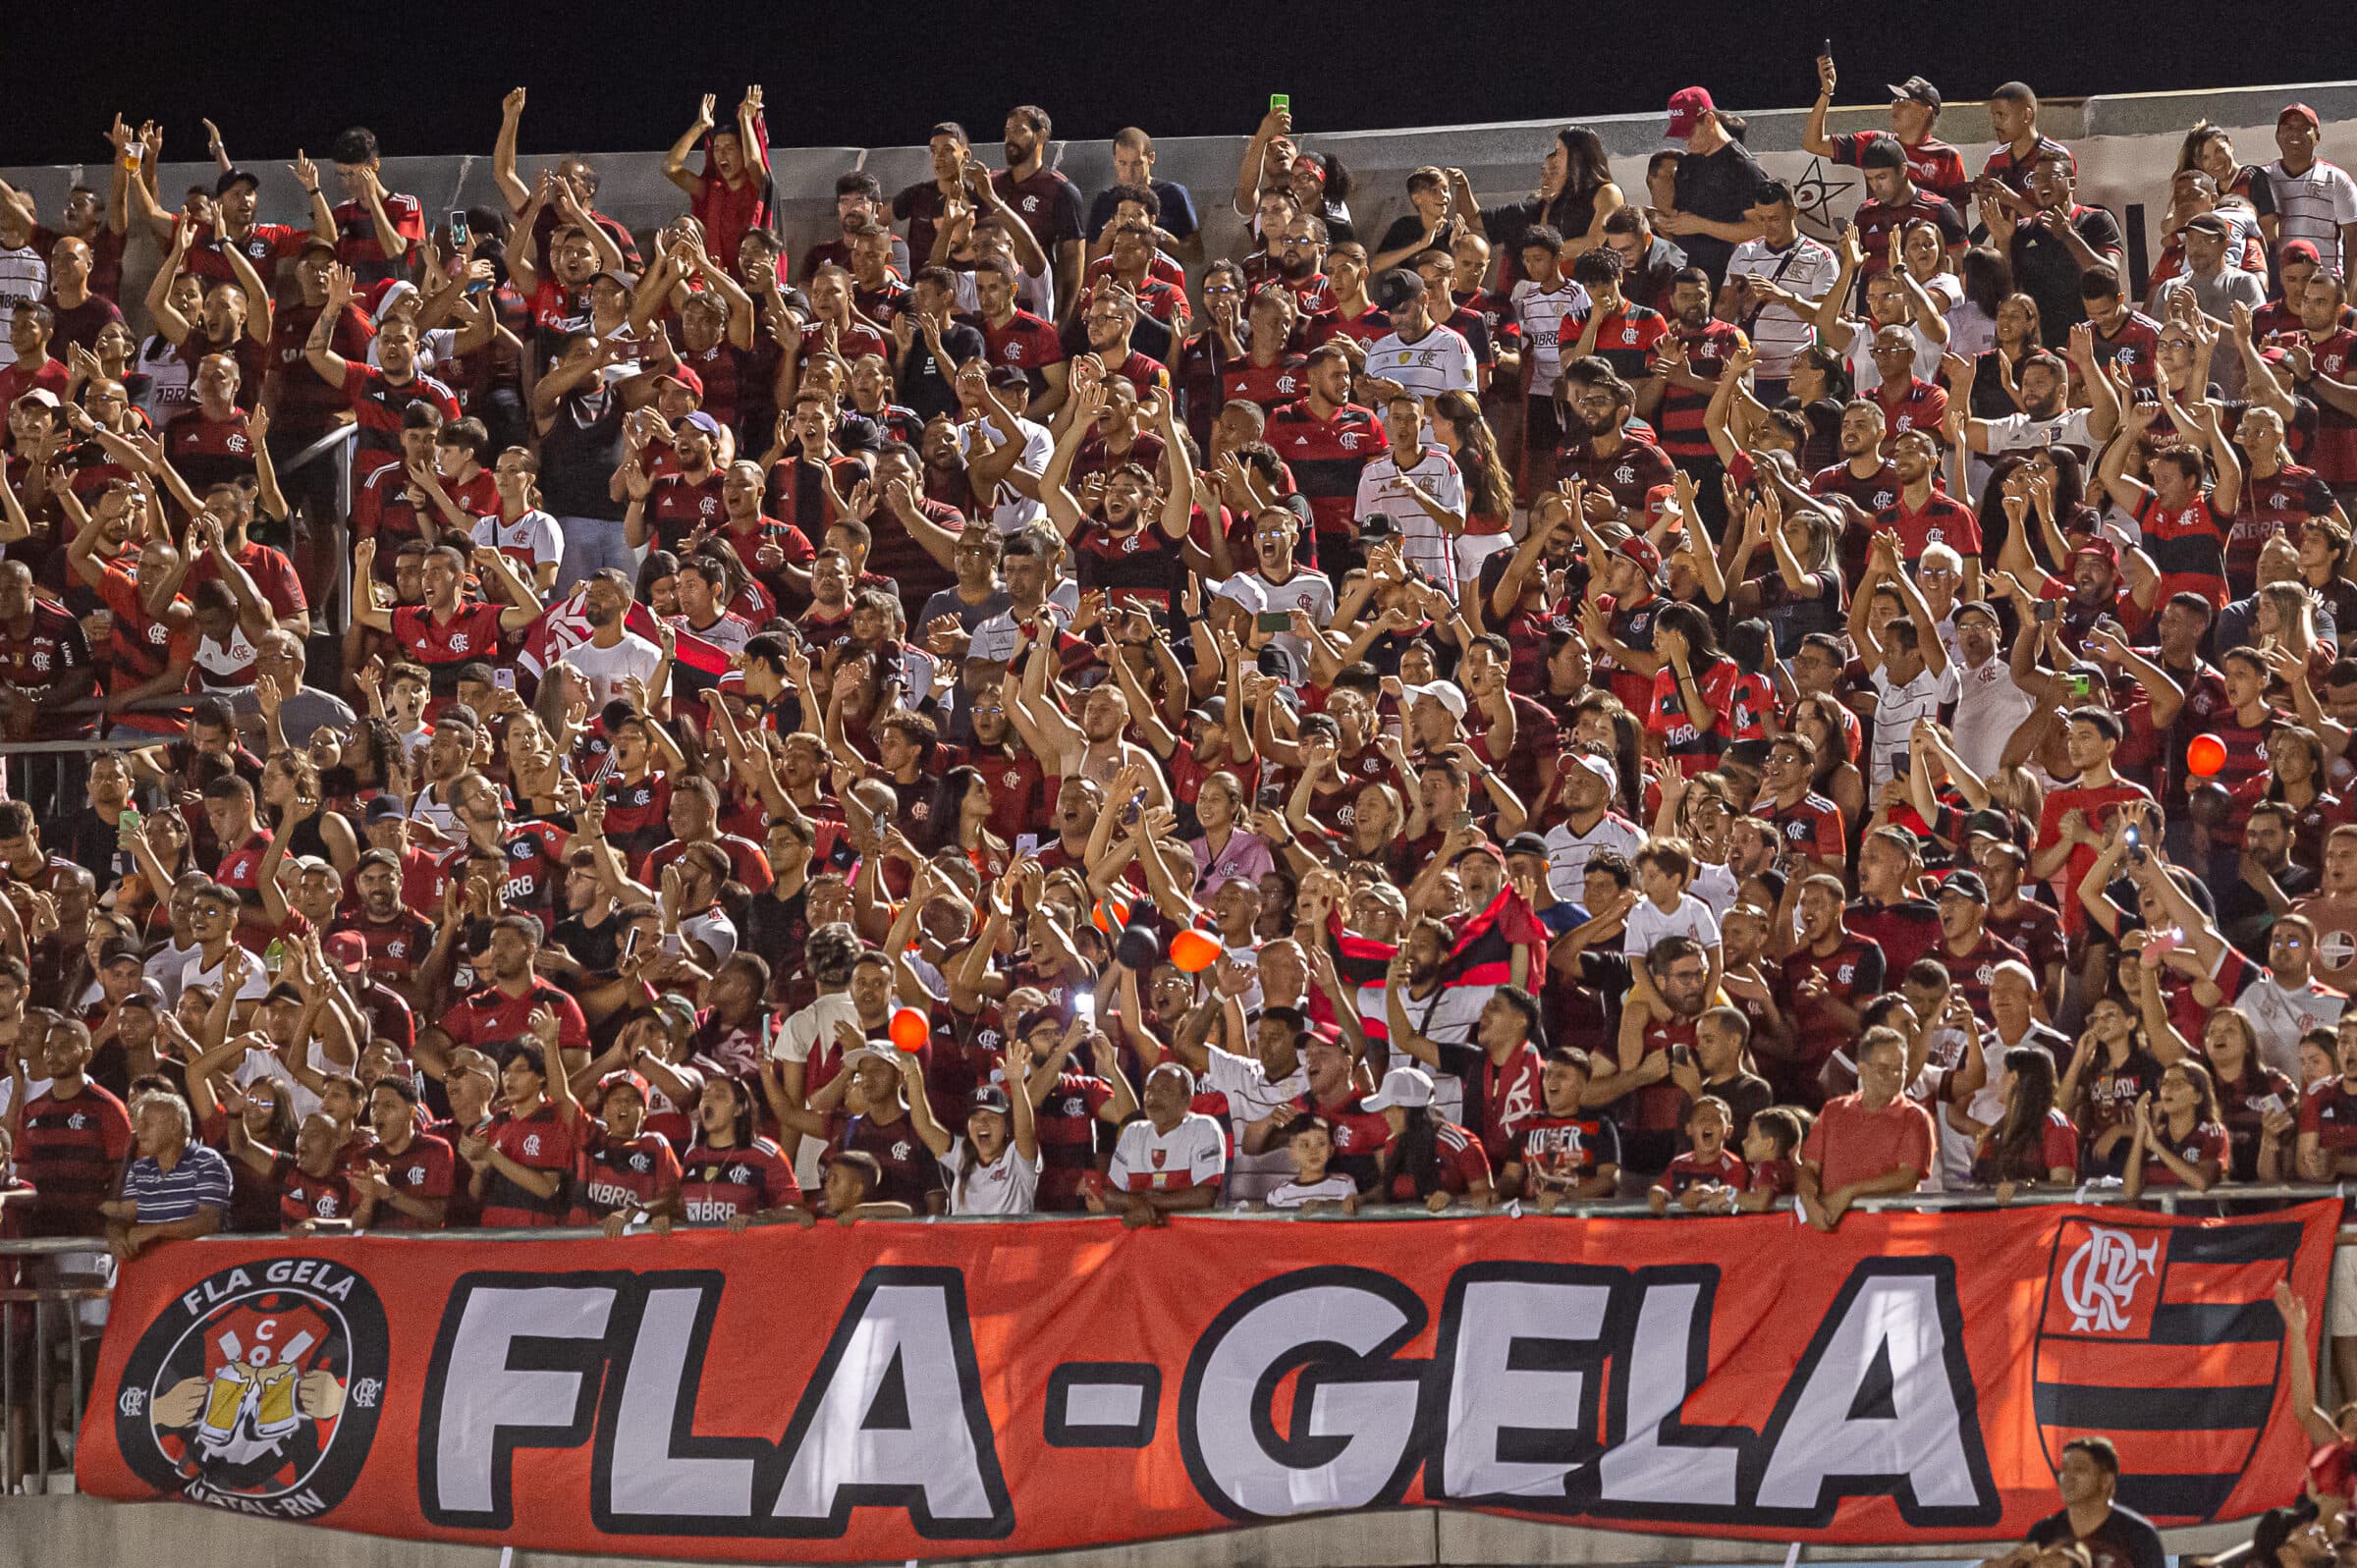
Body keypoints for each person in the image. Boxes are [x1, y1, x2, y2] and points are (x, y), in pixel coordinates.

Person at [1797, 1025, 1935, 1229]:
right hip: (1833, 1233)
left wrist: (1849, 1192)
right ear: (1862, 1069)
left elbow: (1907, 1178)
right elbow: (1809, 1167)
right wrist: (1808, 1200)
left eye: (1900, 1069)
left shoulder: (1915, 1117)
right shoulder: (1833, 1110)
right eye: (1884, 1069)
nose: (1894, 1076)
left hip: (1890, 1235)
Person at [1980, 1435, 2166, 1568]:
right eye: (2063, 1470)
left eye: (2079, 1469)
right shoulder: (2044, 1532)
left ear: (2106, 1480)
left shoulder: (2139, 1535)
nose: (2067, 1477)